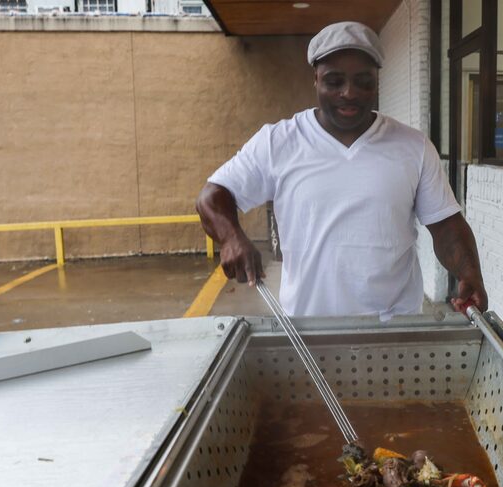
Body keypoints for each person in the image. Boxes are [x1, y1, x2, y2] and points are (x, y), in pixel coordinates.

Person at [196, 21, 487, 319]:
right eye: (334, 81)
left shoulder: (413, 146)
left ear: (378, 80)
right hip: (308, 330)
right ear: (316, 79)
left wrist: (470, 273)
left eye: (363, 81)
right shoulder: (278, 142)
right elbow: (212, 195)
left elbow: (446, 226)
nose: (349, 93)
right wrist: (231, 237)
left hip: (395, 329)